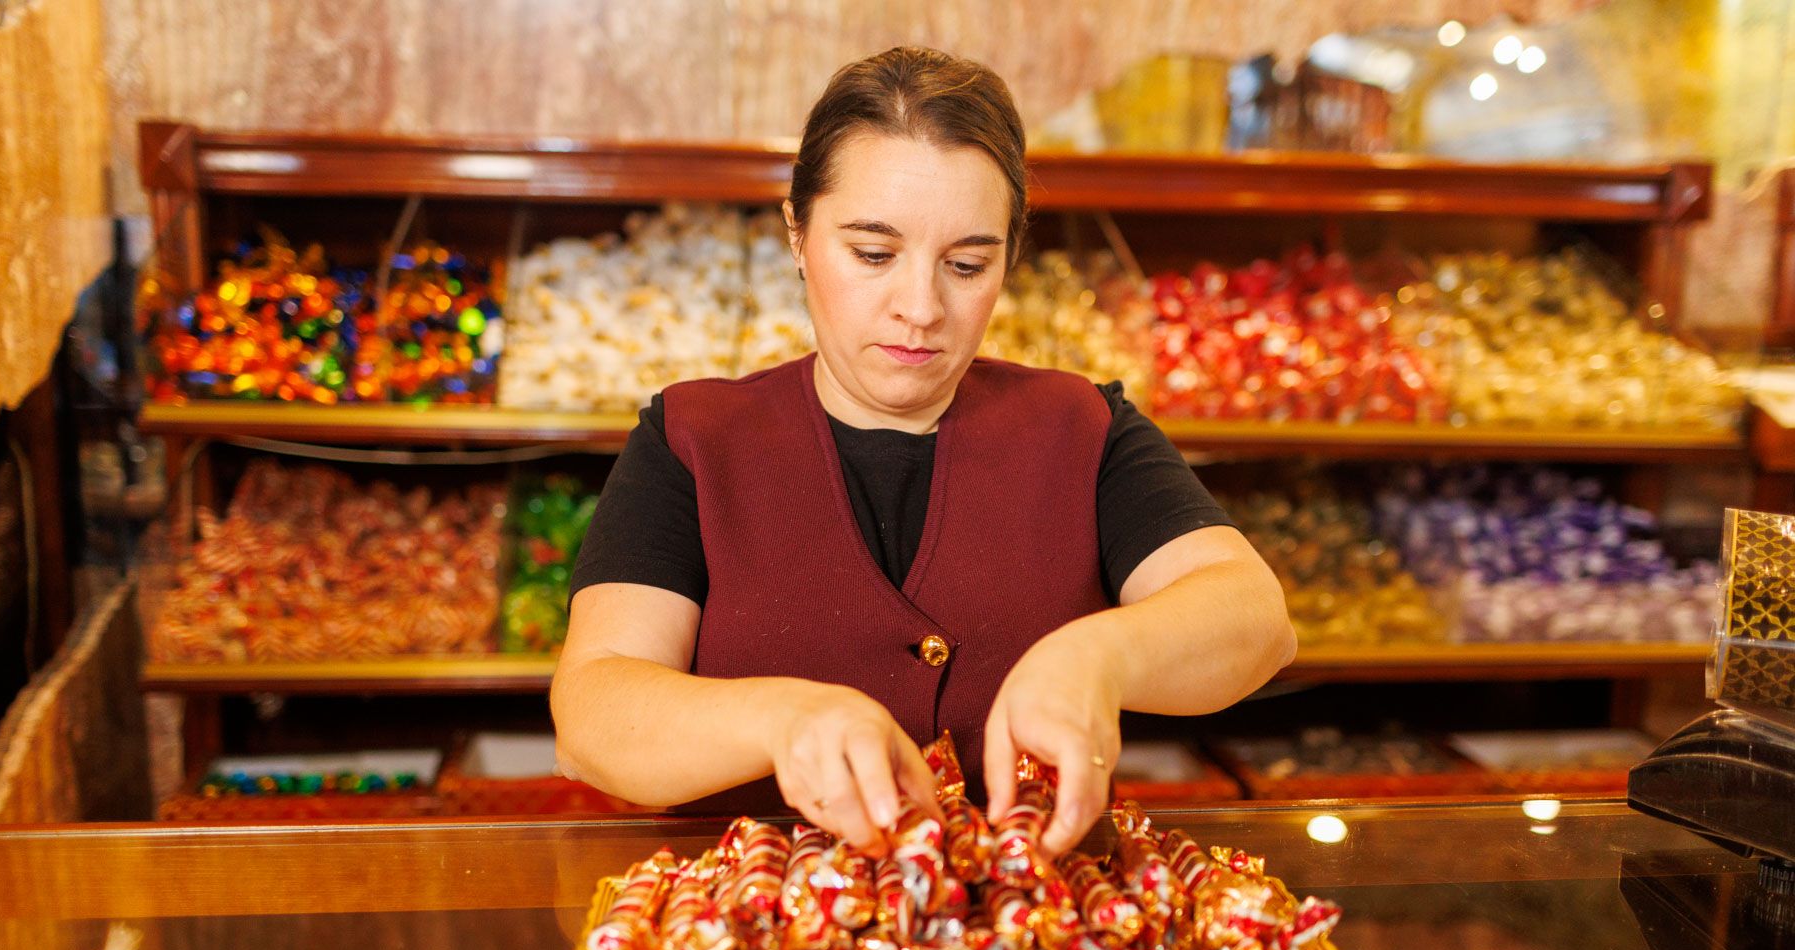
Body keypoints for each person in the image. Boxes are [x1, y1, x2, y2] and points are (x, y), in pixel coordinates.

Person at [552, 46, 1295, 858]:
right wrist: (784, 720)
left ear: (1009, 259)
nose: (920, 308)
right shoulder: (694, 440)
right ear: (798, 236)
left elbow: (1254, 620)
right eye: (873, 254)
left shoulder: (1083, 427)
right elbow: (593, 712)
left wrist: (1100, 656)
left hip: (1030, 948)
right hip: (759, 944)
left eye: (967, 265)